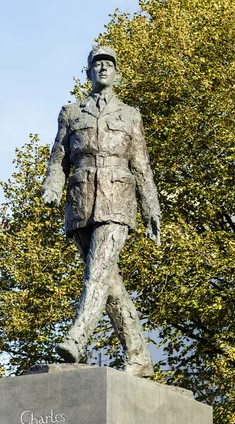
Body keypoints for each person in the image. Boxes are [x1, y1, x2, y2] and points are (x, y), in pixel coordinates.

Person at [41, 45, 161, 377]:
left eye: (109, 64)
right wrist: (52, 187)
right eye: (98, 64)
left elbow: (141, 166)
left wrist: (151, 210)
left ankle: (76, 337)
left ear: (116, 73)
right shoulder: (71, 113)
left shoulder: (130, 115)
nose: (103, 68)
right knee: (109, 283)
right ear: (89, 73)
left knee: (97, 273)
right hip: (80, 203)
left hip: (117, 203)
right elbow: (58, 159)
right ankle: (138, 355)